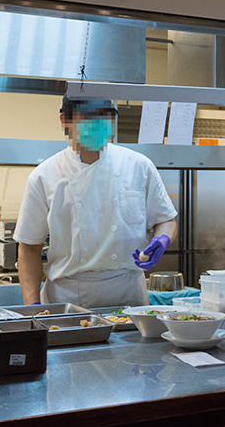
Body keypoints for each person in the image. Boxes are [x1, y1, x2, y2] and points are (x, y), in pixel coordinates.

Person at [13, 95, 178, 307]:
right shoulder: (44, 176)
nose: (96, 125)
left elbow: (166, 220)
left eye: (103, 118)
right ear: (65, 120)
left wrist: (162, 239)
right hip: (68, 300)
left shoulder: (139, 166)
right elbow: (28, 247)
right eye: (87, 118)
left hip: (130, 296)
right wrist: (32, 305)